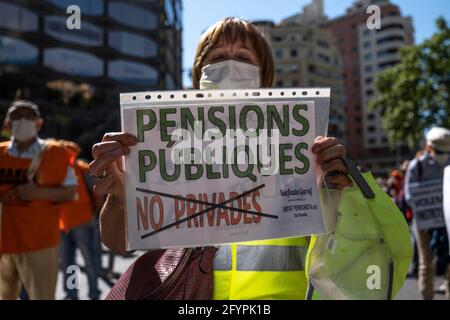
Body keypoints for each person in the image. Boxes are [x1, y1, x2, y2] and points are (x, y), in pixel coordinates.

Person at [89, 17, 404, 300]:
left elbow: (359, 247)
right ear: (199, 74)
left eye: (242, 58)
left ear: (263, 78)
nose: (229, 65)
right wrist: (120, 195)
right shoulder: (164, 146)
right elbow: (119, 244)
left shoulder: (301, 151)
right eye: (217, 58)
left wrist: (341, 187)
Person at [0, 100, 78, 300]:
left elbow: (71, 193)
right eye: (17, 117)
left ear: (39, 123)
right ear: (7, 125)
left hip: (40, 242)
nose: (23, 121)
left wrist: (39, 193)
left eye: (29, 116)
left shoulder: (56, 153)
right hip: (3, 242)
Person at [405, 127, 450, 299]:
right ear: (429, 148)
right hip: (424, 223)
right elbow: (409, 196)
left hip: (448, 220)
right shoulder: (417, 166)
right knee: (426, 264)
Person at [58, 142, 104, 300]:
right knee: (77, 261)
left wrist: (97, 213)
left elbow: (97, 193)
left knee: (79, 261)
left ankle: (86, 293)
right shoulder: (73, 169)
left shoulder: (81, 169)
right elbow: (97, 193)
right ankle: (81, 293)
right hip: (67, 224)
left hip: (77, 223)